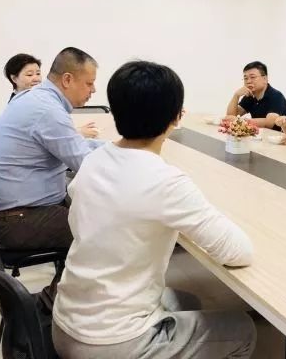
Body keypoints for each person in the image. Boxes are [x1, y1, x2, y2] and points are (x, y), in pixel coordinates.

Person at [52, 61, 256, 359]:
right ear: (176, 118)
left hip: (65, 323)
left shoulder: (93, 160)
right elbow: (238, 252)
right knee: (244, 329)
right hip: (112, 343)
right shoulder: (165, 181)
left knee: (187, 301)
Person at [0, 47, 103, 251]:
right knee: (107, 228)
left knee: (94, 210)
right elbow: (87, 165)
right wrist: (129, 161)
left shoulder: (38, 98)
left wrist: (116, 147)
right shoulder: (47, 110)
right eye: (89, 83)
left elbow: (75, 143)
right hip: (17, 220)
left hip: (17, 209)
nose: (94, 90)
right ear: (67, 80)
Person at [3, 53, 98, 138]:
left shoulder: (41, 99)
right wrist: (78, 133)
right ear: (14, 78)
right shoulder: (22, 105)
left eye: (38, 73)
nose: (36, 78)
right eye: (29, 75)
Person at [225, 61, 286, 129]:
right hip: (263, 134)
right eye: (245, 78)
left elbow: (270, 123)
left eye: (252, 77)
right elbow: (230, 116)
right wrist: (236, 95)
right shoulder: (250, 96)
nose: (248, 81)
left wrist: (241, 121)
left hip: (283, 134)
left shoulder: (276, 96)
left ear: (265, 79)